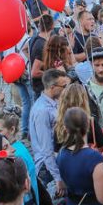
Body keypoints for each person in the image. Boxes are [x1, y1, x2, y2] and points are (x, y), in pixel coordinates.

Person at [29, 68, 66, 196]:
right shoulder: (42, 111)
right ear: (52, 87)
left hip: (54, 163)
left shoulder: (54, 102)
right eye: (63, 86)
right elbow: (46, 147)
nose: (65, 89)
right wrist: (57, 177)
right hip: (48, 168)